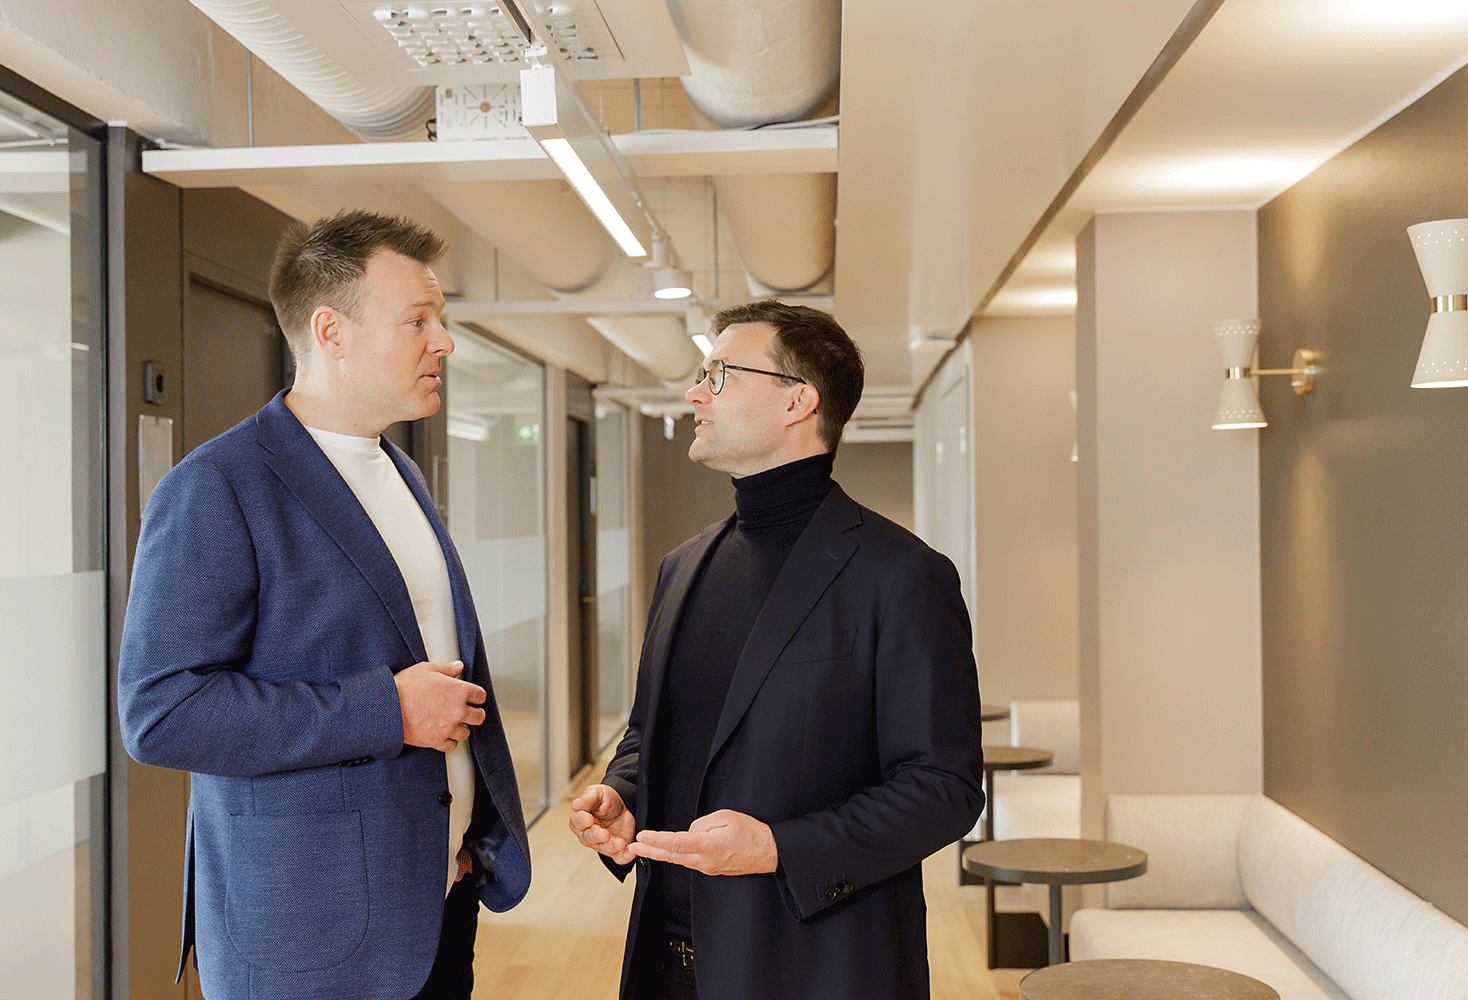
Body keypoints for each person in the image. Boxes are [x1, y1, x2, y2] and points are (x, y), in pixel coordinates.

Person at [118, 210, 530, 1000]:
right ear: (331, 332)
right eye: (418, 320)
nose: (444, 341)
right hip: (310, 937)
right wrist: (386, 710)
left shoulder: (401, 472)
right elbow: (161, 712)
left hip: (433, 907)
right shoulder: (216, 486)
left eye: (440, 319)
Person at [570, 300, 983, 1000]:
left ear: (799, 401)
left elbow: (944, 789)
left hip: (814, 967)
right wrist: (625, 792)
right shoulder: (682, 566)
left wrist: (776, 847)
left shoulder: (902, 575)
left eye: (720, 375)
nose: (694, 394)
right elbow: (650, 731)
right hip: (668, 962)